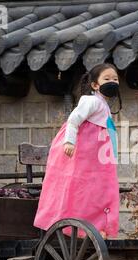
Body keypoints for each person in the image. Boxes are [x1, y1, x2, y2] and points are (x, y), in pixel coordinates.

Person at [33, 63, 122, 239]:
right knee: (81, 189)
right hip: (84, 154)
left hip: (97, 157)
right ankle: (80, 228)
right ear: (95, 85)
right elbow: (74, 120)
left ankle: (95, 226)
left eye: (115, 79)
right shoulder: (91, 101)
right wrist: (69, 142)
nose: (112, 81)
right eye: (107, 79)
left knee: (99, 190)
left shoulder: (103, 104)